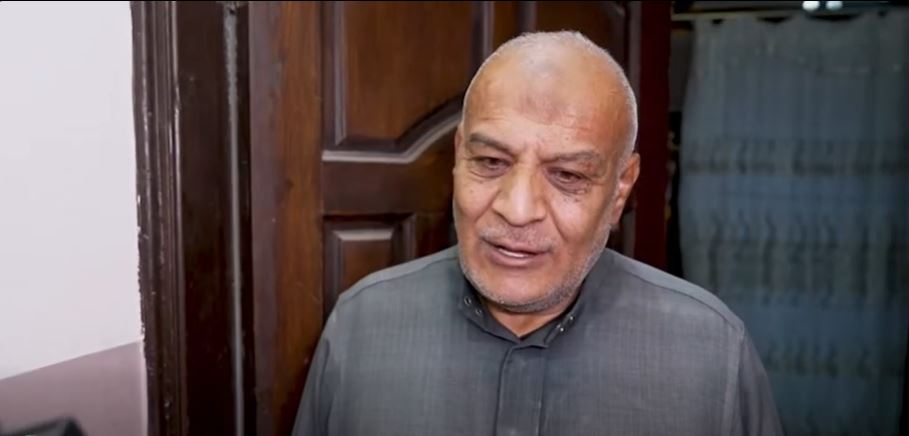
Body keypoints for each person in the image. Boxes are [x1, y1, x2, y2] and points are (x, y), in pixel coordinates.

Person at [292, 31, 783, 436]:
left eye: (567, 175)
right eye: (490, 162)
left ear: (620, 189)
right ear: (459, 156)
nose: (517, 209)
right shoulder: (361, 328)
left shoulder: (712, 355)